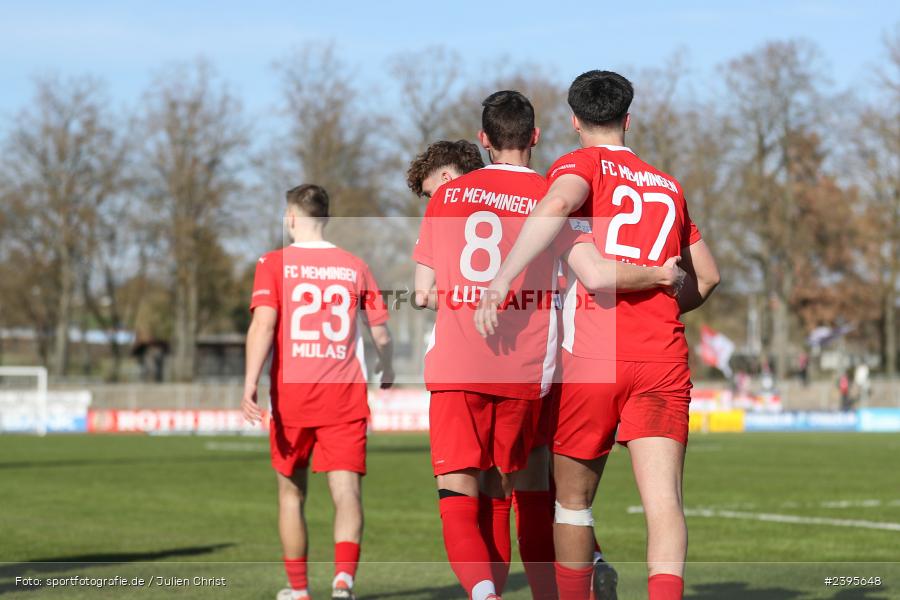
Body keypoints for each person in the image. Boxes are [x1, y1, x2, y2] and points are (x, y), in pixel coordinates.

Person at [413, 91, 685, 600]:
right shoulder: (554, 192)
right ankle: (568, 579)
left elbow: (424, 291)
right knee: (539, 495)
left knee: (468, 493)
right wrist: (657, 276)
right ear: (536, 136)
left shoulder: (447, 197)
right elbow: (595, 273)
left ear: (483, 140)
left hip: (456, 362)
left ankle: (484, 591)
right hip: (534, 367)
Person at [474, 71, 720, 600]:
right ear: (627, 119)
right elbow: (710, 275)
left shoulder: (577, 164)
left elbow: (558, 204)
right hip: (662, 355)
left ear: (574, 121)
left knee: (572, 503)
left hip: (593, 356)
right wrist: (662, 299)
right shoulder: (667, 185)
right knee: (665, 506)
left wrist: (503, 275)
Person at [242, 184, 395, 600]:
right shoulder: (354, 265)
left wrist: (249, 382)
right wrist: (389, 366)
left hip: (293, 400)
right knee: (347, 494)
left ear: (291, 218)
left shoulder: (273, 263)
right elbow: (379, 331)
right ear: (326, 219)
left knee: (292, 494)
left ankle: (299, 590)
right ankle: (343, 581)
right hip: (344, 397)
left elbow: (264, 325)